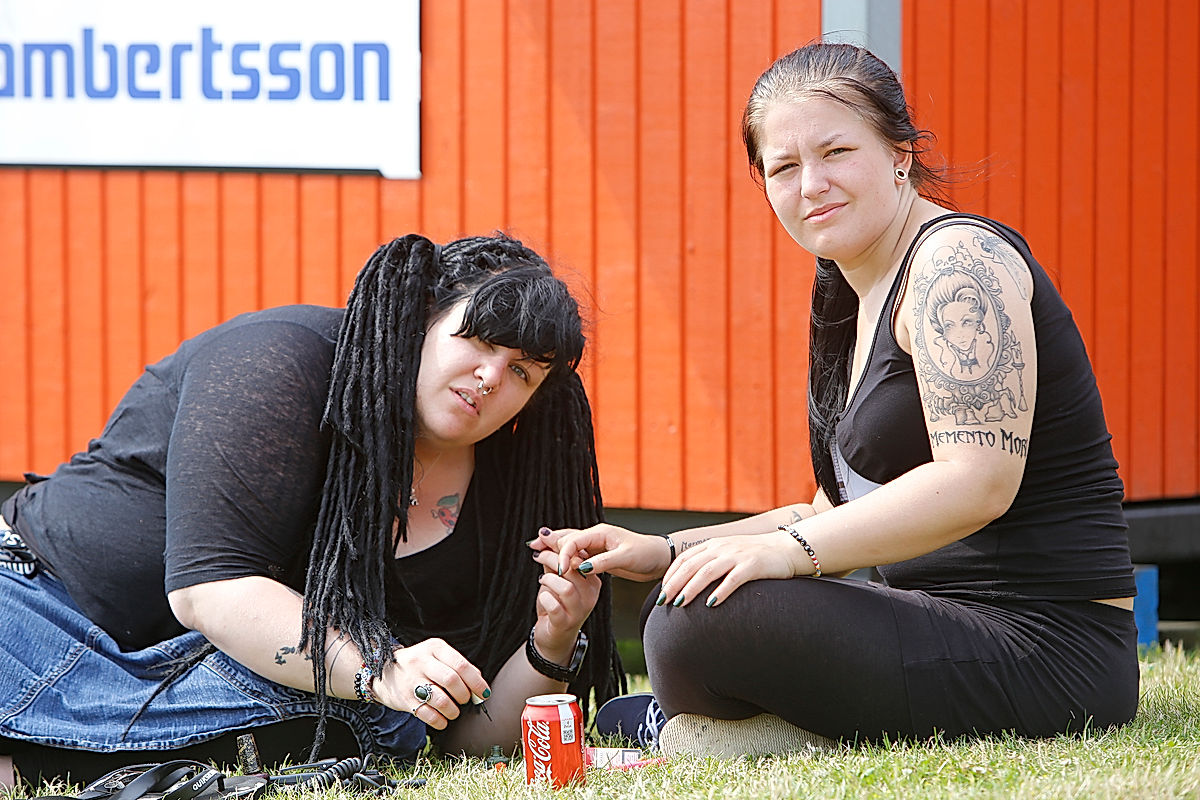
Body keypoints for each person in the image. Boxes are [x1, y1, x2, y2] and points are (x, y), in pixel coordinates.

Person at [538, 42, 1138, 758]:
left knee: (692, 625)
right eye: (785, 167)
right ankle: (734, 732)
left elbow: (979, 481)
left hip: (1051, 647)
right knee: (687, 604)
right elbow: (833, 511)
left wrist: (788, 555)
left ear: (900, 154)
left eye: (835, 152)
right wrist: (665, 550)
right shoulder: (850, 289)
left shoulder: (958, 265)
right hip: (934, 618)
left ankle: (722, 738)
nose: (812, 183)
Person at [0, 233, 624, 786]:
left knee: (375, 723)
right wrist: (381, 669)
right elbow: (208, 592)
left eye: (522, 371)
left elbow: (458, 740)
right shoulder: (283, 358)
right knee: (362, 702)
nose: (491, 377)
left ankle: (51, 756)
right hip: (35, 609)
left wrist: (553, 638)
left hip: (207, 685)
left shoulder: (507, 488)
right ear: (422, 316)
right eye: (480, 340)